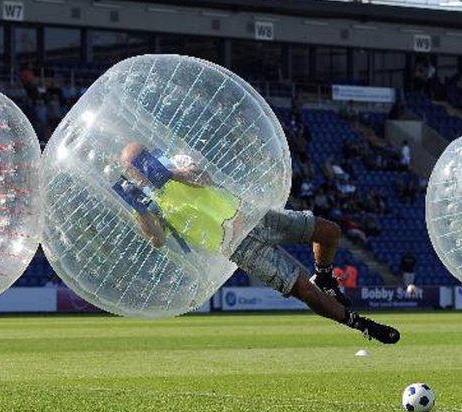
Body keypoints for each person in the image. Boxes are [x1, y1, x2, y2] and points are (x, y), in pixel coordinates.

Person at [120, 142, 400, 344]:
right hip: (236, 245)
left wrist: (169, 175)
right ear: (131, 173)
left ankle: (325, 276)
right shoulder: (144, 203)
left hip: (251, 216)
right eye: (134, 167)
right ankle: (360, 324)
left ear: (150, 155)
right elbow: (157, 240)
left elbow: (205, 178)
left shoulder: (174, 162)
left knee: (329, 231)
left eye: (142, 159)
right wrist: (142, 209)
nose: (140, 169)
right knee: (304, 290)